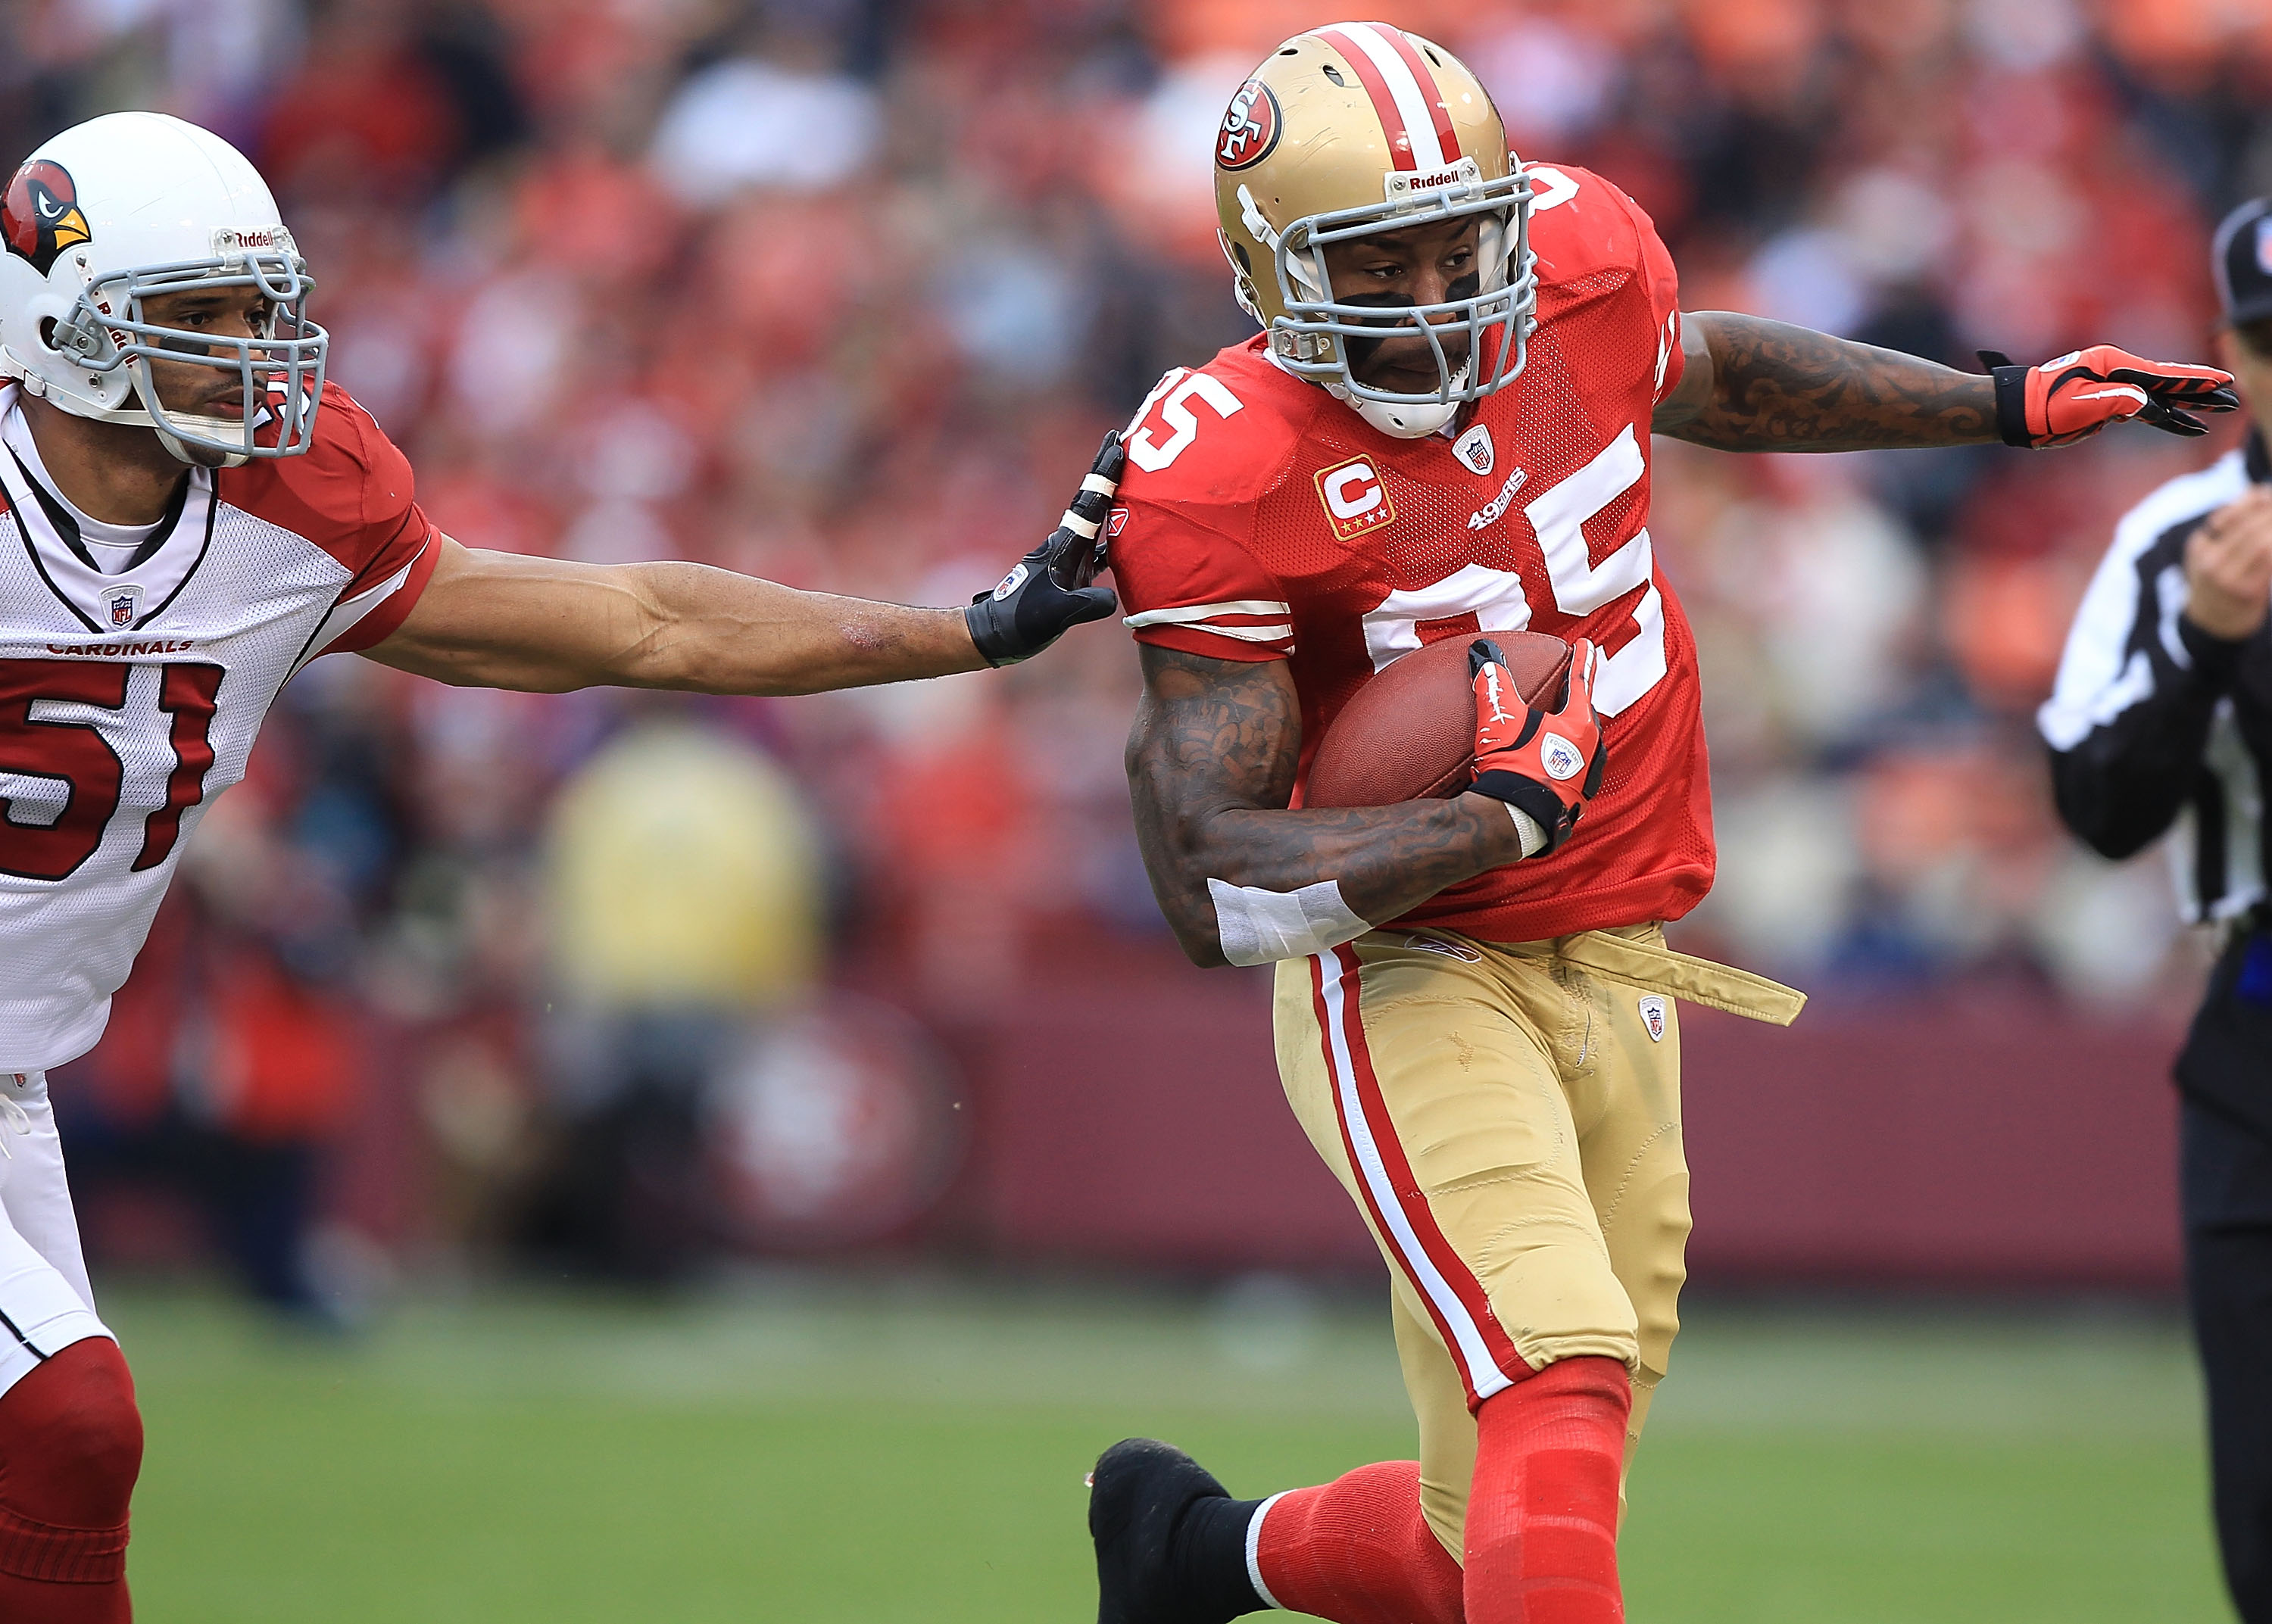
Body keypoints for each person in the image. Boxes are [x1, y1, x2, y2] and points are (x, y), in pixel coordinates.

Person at [1088, 23, 2238, 1624]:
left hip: (1626, 949)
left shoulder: (1578, 260)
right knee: (1556, 1366)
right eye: (1383, 263)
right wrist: (1474, 830)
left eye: (1457, 248)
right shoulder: (1223, 469)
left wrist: (1997, 400)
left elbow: (1697, 371)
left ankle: (1188, 1549)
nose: (1437, 299)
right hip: (1414, 966)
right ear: (1271, 275)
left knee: (1476, 1525)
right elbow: (1208, 889)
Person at [0, 109, 1122, 1622]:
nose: (249, 352)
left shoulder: (289, 501)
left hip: (18, 1067)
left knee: (61, 1462)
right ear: (58, 327)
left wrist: (962, 628)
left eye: (257, 309)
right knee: (71, 1419)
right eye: (196, 317)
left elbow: (642, 621)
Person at [2039, 196, 2272, 1624]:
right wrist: (2201, 645)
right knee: (2260, 1488)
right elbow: (2097, 806)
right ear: (2236, 347)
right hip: (2257, 1021)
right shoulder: (2180, 538)